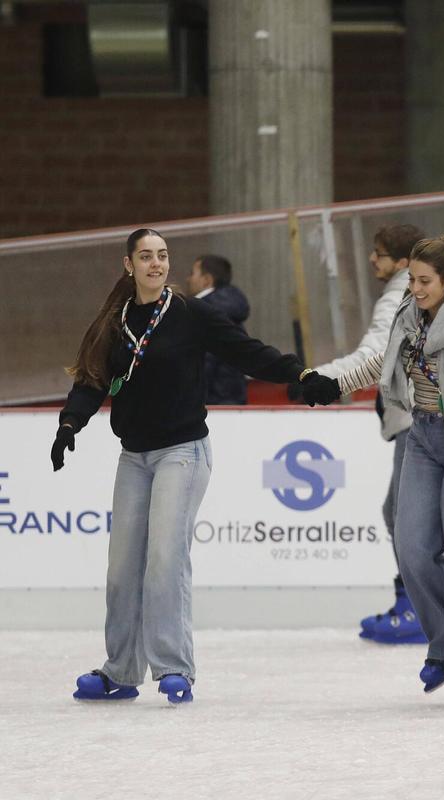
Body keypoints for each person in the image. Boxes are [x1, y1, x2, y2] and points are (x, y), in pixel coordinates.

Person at [52, 228, 339, 705]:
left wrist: (299, 373)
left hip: (182, 452)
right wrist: (69, 423)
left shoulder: (189, 314)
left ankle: (173, 669)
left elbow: (246, 350)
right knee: (123, 568)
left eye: (162, 256)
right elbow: (93, 379)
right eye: (145, 256)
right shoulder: (115, 320)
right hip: (134, 456)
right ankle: (121, 670)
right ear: (129, 265)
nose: (155, 264)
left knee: (165, 559)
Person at [334, 233, 444, 706]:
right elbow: (382, 362)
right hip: (423, 437)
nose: (414, 289)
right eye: (411, 280)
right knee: (411, 547)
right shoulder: (408, 319)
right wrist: (329, 382)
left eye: (424, 281)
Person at [299, 223, 428, 645]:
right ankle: (420, 604)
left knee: (404, 515)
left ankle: (421, 608)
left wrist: (321, 377)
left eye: (381, 253)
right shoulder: (412, 293)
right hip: (416, 418)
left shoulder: (400, 294)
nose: (373, 260)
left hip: (417, 420)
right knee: (405, 513)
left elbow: (376, 354)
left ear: (404, 261)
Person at [187, 254, 250, 405]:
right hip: (232, 402)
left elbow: (203, 365)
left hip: (211, 405)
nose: (188, 279)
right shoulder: (229, 312)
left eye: (192, 273)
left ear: (207, 280)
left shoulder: (203, 312)